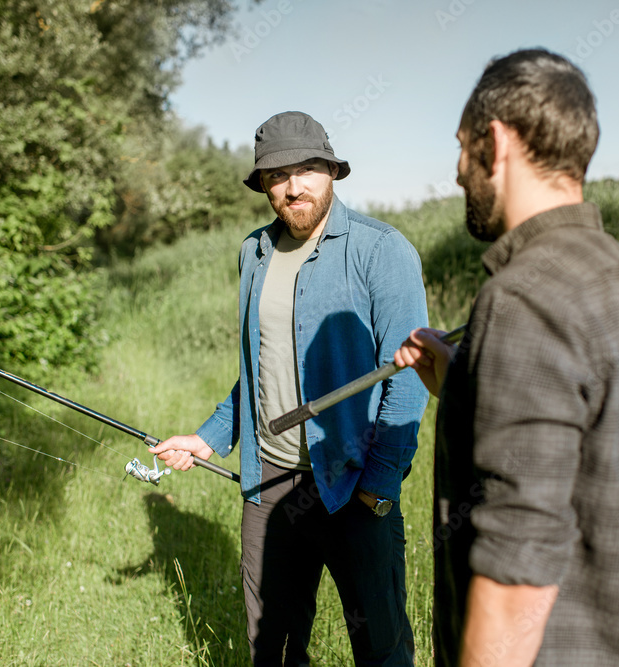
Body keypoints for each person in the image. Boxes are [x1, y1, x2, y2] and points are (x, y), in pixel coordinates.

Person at [394, 49, 619, 666]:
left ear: (497, 142)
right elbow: (583, 449)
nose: (458, 172)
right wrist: (464, 385)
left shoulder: (522, 299)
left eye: (463, 147)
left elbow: (517, 578)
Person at [152, 111, 428, 666]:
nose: (293, 186)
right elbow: (258, 366)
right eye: (278, 176)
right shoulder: (253, 253)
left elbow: (408, 376)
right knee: (271, 648)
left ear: (331, 171)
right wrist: (208, 438)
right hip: (271, 486)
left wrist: (378, 487)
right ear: (263, 186)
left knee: (381, 648)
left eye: (307, 169)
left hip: (354, 487)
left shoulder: (382, 250)